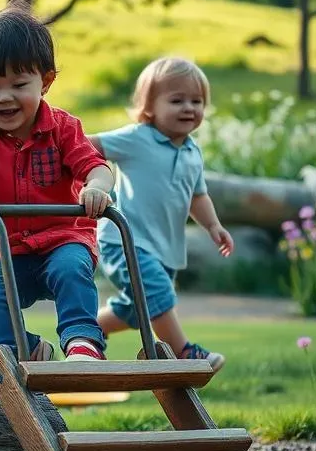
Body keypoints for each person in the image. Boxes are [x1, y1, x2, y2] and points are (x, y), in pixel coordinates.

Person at [0, 0, 115, 362]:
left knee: (71, 268)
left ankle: (83, 343)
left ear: (46, 81)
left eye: (19, 84)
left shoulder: (64, 128)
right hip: (4, 249)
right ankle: (19, 351)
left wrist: (97, 188)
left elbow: (97, 167)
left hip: (62, 239)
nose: (5, 98)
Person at [90, 57, 232, 371]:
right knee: (155, 290)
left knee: (136, 309)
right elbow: (86, 146)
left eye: (197, 101)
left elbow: (198, 196)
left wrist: (213, 226)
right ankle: (184, 351)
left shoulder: (192, 151)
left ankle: (91, 329)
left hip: (165, 248)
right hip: (125, 240)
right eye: (177, 100)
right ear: (149, 107)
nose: (189, 108)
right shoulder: (136, 138)